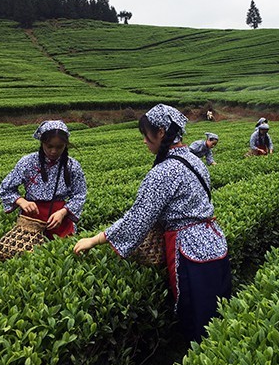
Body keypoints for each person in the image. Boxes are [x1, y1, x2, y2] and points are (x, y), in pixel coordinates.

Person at [73, 104, 232, 343]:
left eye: (145, 135)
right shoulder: (194, 159)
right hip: (216, 243)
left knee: (196, 317)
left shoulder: (163, 172)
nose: (144, 141)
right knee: (217, 313)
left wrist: (95, 239)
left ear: (160, 132)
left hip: (190, 251)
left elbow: (138, 218)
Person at [0, 120, 87, 239]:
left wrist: (63, 212)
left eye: (59, 147)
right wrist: (22, 202)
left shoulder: (72, 166)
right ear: (42, 142)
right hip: (31, 220)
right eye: (49, 146)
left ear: (65, 145)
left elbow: (80, 194)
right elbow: (5, 188)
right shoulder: (27, 162)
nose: (53, 151)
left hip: (59, 220)